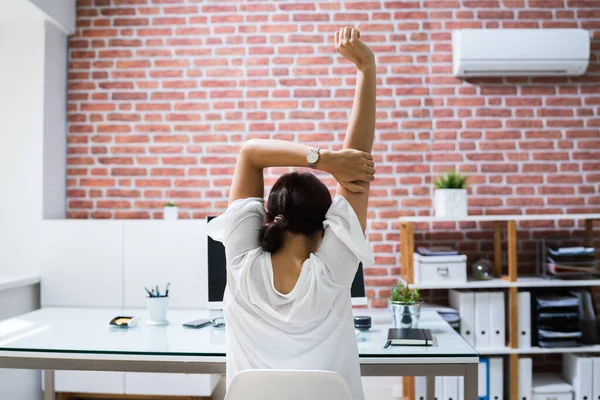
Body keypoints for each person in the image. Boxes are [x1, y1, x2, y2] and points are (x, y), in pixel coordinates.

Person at [206, 27, 376, 400]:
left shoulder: (241, 266)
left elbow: (250, 153)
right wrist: (366, 67)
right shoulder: (330, 274)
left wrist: (325, 160)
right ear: (324, 231)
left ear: (266, 218)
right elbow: (358, 170)